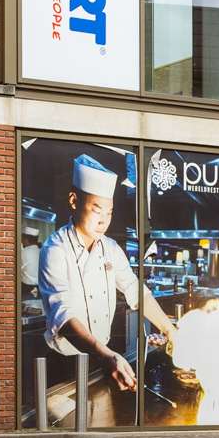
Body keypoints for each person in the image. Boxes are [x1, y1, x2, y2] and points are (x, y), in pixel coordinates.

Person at [38, 155, 176, 398]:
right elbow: (63, 315)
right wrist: (106, 355)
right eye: (96, 209)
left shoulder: (110, 247)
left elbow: (136, 291)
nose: (103, 221)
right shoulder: (55, 249)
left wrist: (168, 328)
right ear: (74, 201)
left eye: (109, 212)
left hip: (103, 357)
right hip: (65, 363)